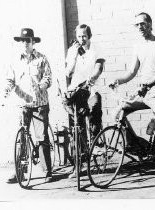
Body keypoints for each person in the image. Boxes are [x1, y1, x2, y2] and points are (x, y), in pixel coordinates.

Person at [109, 12, 155, 184]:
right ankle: (136, 147)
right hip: (142, 91)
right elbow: (132, 71)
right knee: (118, 111)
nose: (140, 27)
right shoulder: (137, 46)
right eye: (136, 25)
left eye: (143, 24)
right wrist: (118, 81)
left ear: (150, 24)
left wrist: (147, 85)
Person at [4, 28, 53, 183]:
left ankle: (47, 172)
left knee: (42, 137)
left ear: (33, 42)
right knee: (21, 138)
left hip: (40, 104)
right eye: (22, 41)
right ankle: (20, 172)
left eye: (28, 41)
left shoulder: (42, 58)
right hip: (23, 104)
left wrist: (42, 86)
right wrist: (5, 92)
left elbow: (48, 78)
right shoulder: (14, 61)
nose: (25, 43)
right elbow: (10, 80)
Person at [63, 24, 105, 178]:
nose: (82, 39)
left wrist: (91, 79)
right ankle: (78, 166)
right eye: (79, 36)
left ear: (89, 36)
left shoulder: (96, 49)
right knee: (77, 128)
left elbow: (99, 68)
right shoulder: (72, 50)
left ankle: (96, 144)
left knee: (95, 108)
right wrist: (73, 55)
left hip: (91, 88)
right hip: (76, 91)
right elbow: (68, 72)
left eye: (84, 36)